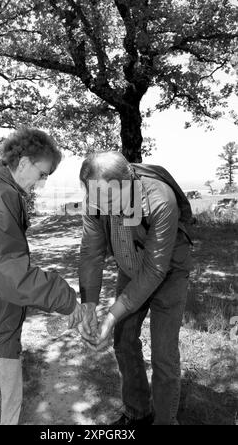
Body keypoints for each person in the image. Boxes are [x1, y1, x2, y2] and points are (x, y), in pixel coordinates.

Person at [0, 126, 83, 425]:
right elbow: (13, 277)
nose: (43, 184)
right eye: (43, 174)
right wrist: (67, 299)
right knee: (3, 410)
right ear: (23, 163)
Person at [78, 151, 193, 426]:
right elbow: (91, 254)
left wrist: (112, 315)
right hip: (130, 269)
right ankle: (137, 412)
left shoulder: (160, 200)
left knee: (163, 355)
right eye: (95, 199)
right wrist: (90, 306)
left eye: (108, 200)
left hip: (169, 274)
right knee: (124, 341)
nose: (100, 207)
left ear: (129, 182)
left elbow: (155, 270)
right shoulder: (97, 197)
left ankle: (165, 421)